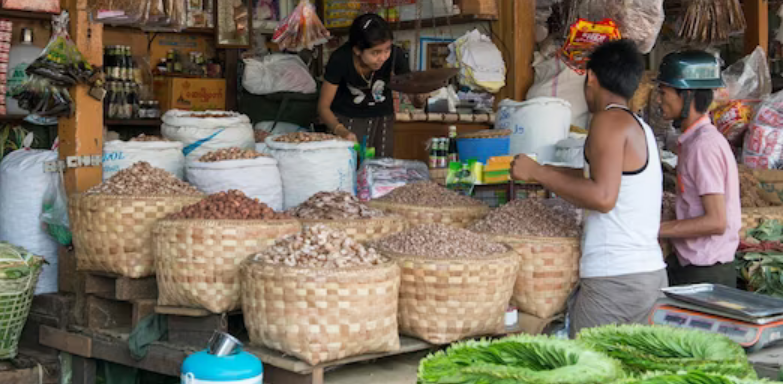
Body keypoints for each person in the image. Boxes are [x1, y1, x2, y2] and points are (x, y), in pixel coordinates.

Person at [510, 39, 667, 337]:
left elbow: (603, 197)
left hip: (615, 281)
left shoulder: (607, 120)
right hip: (648, 275)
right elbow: (600, 178)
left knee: (592, 370)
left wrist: (539, 173)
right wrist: (543, 171)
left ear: (591, 77)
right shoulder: (638, 126)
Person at [657, 51, 741, 288]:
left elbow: (715, 221)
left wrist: (655, 230)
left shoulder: (703, 147)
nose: (659, 101)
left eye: (664, 93)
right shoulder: (695, 141)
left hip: (706, 274)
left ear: (687, 96)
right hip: (696, 268)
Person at [319, 13, 420, 157]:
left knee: (382, 168)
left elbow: (415, 99)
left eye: (387, 49)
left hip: (382, 119)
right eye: (376, 53)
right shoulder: (340, 59)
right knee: (350, 165)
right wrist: (340, 130)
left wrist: (421, 96)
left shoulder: (395, 56)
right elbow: (323, 107)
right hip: (347, 119)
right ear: (357, 50)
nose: (383, 57)